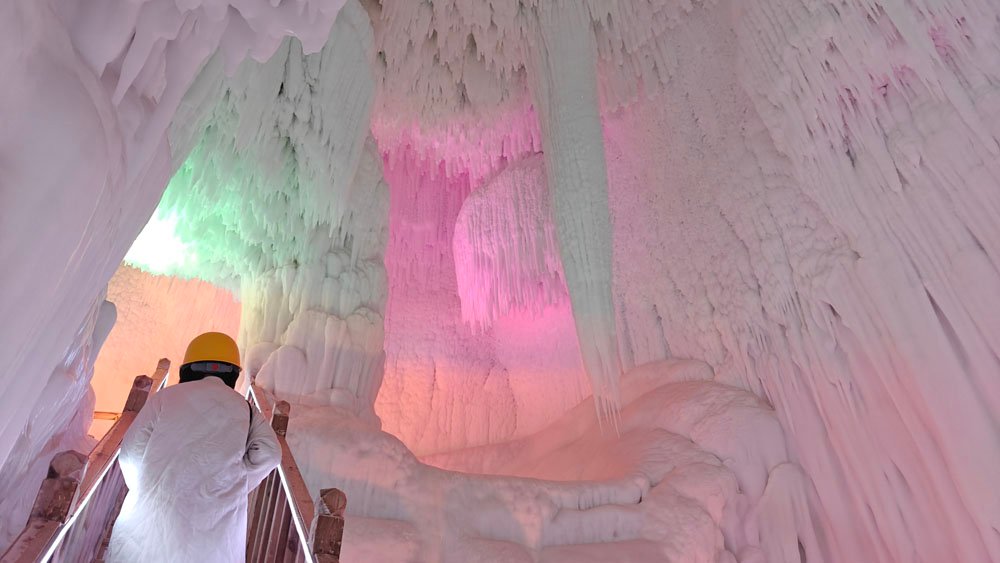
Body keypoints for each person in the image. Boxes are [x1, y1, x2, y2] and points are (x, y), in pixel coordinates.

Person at [106, 332, 281, 563]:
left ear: (188, 368)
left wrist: (150, 482)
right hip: (213, 545)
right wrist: (233, 481)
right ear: (233, 373)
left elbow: (130, 455)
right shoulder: (244, 408)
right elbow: (270, 453)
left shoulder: (165, 398)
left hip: (148, 530)